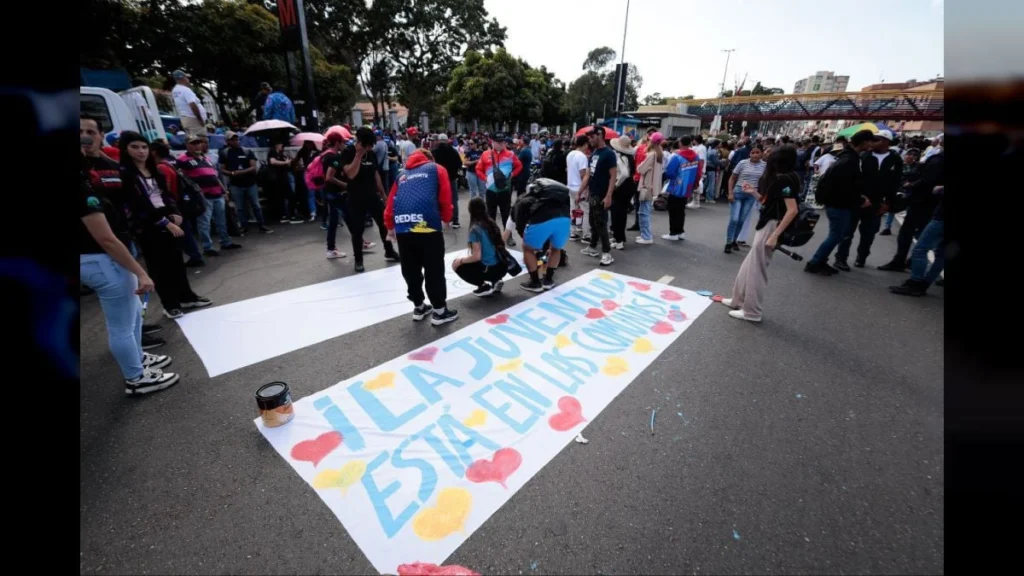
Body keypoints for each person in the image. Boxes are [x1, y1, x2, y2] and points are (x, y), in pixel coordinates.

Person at [81, 154, 179, 395]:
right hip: (104, 262)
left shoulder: (86, 187)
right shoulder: (83, 193)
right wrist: (141, 273)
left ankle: (137, 359)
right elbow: (106, 239)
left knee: (133, 315)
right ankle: (135, 377)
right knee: (122, 325)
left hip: (104, 261)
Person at [120, 131, 212, 320]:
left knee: (176, 261)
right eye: (135, 147)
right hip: (146, 224)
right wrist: (163, 223)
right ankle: (170, 304)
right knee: (159, 266)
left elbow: (166, 195)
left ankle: (186, 296)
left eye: (144, 147)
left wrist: (175, 212)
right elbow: (137, 204)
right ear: (126, 149)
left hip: (165, 215)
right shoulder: (126, 174)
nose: (141, 152)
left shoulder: (156, 171)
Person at [721, 144, 802, 322]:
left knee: (757, 270)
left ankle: (752, 311)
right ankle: (737, 300)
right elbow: (771, 202)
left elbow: (792, 210)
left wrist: (775, 235)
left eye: (770, 154)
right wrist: (754, 193)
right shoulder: (788, 177)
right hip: (768, 222)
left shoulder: (785, 179)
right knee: (748, 266)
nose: (767, 156)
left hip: (771, 226)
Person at [384, 148, 457, 325]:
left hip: (403, 226)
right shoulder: (436, 169)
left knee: (410, 268)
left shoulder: (402, 174)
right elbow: (446, 198)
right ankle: (439, 311)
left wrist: (389, 227)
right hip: (427, 224)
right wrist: (446, 219)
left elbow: (391, 201)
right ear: (429, 158)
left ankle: (418, 305)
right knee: (434, 268)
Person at [804, 129, 876, 275]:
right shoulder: (850, 160)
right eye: (870, 141)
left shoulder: (848, 157)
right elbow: (844, 186)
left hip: (838, 202)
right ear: (864, 142)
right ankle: (815, 262)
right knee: (836, 235)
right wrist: (860, 199)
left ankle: (820, 261)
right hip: (839, 204)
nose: (871, 144)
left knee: (838, 234)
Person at [834, 129, 901, 270]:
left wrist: (888, 203)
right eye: (871, 139)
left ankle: (861, 257)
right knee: (847, 231)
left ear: (886, 142)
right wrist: (858, 196)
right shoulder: (864, 156)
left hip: (877, 202)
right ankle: (840, 258)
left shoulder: (895, 159)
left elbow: (895, 183)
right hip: (858, 199)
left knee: (869, 233)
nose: (872, 142)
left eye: (876, 139)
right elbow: (854, 178)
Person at [338, 127, 400, 272]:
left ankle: (389, 250)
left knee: (384, 223)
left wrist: (384, 195)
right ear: (360, 143)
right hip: (355, 197)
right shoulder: (348, 153)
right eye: (367, 145)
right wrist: (358, 155)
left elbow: (376, 174)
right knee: (358, 230)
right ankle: (358, 259)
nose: (370, 148)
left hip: (372, 195)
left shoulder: (371, 154)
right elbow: (350, 174)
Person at [879, 145, 943, 271]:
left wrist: (911, 185)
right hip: (930, 203)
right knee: (923, 236)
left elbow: (927, 180)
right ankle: (907, 262)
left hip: (924, 202)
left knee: (914, 235)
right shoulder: (936, 158)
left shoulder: (938, 160)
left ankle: (907, 265)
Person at [177, 134, 240, 256]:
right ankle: (208, 247)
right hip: (202, 196)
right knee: (204, 222)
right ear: (187, 145)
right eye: (193, 143)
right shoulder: (182, 160)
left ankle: (226, 242)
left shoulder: (206, 159)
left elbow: (215, 177)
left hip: (217, 194)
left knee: (221, 220)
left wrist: (224, 192)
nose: (197, 146)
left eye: (198, 143)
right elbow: (182, 179)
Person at [151, 140, 205, 267]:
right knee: (185, 231)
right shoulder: (168, 164)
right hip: (178, 203)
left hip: (174, 205)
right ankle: (194, 255)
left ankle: (194, 256)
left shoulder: (161, 167)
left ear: (154, 152)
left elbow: (166, 189)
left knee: (182, 233)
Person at [516, 178, 572, 292]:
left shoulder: (525, 200)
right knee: (556, 249)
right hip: (564, 219)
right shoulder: (558, 197)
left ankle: (535, 282)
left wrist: (524, 236)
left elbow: (520, 224)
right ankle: (548, 280)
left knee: (527, 249)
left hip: (542, 220)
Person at [890, 185, 945, 296]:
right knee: (941, 254)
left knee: (920, 249)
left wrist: (939, 190)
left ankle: (916, 282)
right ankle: (924, 283)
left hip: (941, 219)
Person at [453, 197, 508, 297]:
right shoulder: (492, 223)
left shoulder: (475, 230)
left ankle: (483, 286)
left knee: (456, 264)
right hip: (502, 266)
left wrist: (460, 261)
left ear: (471, 211)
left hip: (488, 268)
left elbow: (476, 256)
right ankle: (496, 280)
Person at [220, 131, 273, 234]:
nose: (236, 141)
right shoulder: (225, 153)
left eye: (237, 139)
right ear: (228, 142)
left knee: (256, 205)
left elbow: (253, 167)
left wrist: (241, 172)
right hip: (236, 184)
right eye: (233, 140)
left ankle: (262, 225)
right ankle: (244, 226)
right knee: (239, 207)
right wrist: (232, 173)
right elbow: (222, 169)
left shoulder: (246, 151)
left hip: (250, 183)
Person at [579, 126, 618, 265]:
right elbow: (589, 174)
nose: (589, 139)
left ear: (600, 135)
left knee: (601, 223)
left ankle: (607, 252)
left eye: (592, 136)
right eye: (588, 137)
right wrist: (580, 191)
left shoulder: (609, 153)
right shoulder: (595, 152)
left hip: (602, 194)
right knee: (593, 222)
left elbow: (613, 176)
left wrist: (608, 195)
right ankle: (592, 246)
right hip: (593, 193)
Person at [475, 132, 523, 241]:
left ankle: (508, 236)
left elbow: (519, 166)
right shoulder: (485, 154)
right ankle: (492, 236)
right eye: (499, 142)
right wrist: (485, 178)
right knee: (490, 215)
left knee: (506, 213)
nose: (502, 144)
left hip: (505, 190)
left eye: (503, 142)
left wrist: (512, 174)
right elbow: (478, 169)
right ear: (492, 142)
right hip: (491, 190)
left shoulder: (510, 154)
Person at [725, 145, 765, 253]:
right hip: (738, 193)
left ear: (762, 153)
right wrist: (730, 193)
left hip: (751, 196)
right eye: (753, 152)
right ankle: (728, 242)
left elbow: (765, 181)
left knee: (742, 220)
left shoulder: (765, 166)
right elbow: (732, 178)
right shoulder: (742, 163)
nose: (755, 155)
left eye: (758, 152)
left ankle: (734, 240)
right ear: (750, 154)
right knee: (734, 219)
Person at [662, 136, 702, 242]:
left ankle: (673, 233)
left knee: (673, 209)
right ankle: (680, 231)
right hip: (688, 186)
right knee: (681, 209)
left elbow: (670, 172)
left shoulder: (676, 156)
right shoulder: (696, 156)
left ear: (680, 143)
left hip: (676, 186)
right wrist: (695, 183)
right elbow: (698, 172)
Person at [635, 132, 665, 245]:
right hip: (653, 186)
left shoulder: (652, 155)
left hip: (647, 185)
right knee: (645, 211)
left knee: (643, 212)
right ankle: (645, 235)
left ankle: (646, 236)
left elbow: (640, 169)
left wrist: (640, 165)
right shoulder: (660, 154)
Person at [608, 135, 637, 249]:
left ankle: (618, 239)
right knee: (622, 213)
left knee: (616, 213)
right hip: (629, 186)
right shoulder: (629, 157)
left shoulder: (620, 157)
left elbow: (624, 173)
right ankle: (619, 237)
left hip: (622, 187)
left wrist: (616, 185)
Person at [431, 133, 464, 228]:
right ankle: (455, 221)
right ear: (446, 140)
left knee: (438, 199)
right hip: (452, 178)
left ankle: (440, 220)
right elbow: (459, 164)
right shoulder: (453, 151)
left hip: (438, 180)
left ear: (438, 140)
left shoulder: (434, 151)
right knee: (453, 199)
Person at [267, 140, 302, 224]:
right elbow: (273, 162)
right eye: (281, 144)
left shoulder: (282, 154)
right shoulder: (272, 152)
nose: (282, 146)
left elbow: (288, 164)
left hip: (284, 178)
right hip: (277, 179)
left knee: (289, 196)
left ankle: (288, 215)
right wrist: (284, 163)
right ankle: (287, 216)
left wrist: (289, 162)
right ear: (276, 145)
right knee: (284, 197)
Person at [566, 135, 591, 242]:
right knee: (586, 211)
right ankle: (586, 235)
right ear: (585, 144)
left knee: (573, 209)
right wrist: (585, 188)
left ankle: (572, 233)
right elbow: (583, 174)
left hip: (570, 186)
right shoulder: (582, 156)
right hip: (579, 187)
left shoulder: (570, 154)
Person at [170, 70, 207, 136]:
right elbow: (192, 105)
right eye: (187, 78)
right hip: (194, 120)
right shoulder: (186, 90)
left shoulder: (175, 90)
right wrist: (200, 119)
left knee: (192, 140)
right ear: (183, 78)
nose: (188, 80)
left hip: (186, 119)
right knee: (201, 140)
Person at [687, 135, 707, 209]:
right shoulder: (700, 147)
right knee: (696, 184)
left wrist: (700, 170)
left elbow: (701, 160)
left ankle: (696, 202)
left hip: (698, 168)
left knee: (697, 184)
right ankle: (694, 201)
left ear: (695, 140)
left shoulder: (701, 148)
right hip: (697, 168)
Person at [704, 140, 721, 204]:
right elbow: (716, 162)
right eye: (720, 143)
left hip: (708, 167)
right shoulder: (714, 151)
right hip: (712, 168)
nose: (720, 144)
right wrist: (722, 161)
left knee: (706, 183)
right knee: (711, 184)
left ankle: (701, 194)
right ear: (717, 144)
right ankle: (709, 198)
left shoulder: (709, 150)